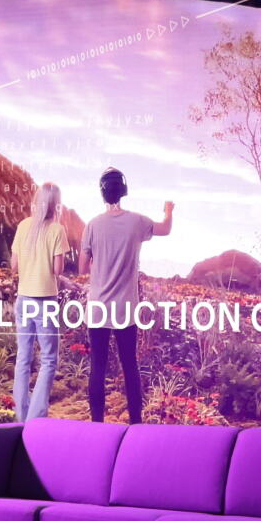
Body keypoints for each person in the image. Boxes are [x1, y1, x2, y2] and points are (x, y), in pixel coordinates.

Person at [80, 167, 173, 424]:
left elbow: (82, 267)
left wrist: (99, 262)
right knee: (130, 365)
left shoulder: (92, 225)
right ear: (123, 190)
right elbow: (165, 229)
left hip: (98, 307)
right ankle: (135, 423)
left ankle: (97, 423)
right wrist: (168, 210)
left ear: (102, 193)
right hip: (125, 308)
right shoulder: (137, 222)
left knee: (97, 366)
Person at [9, 181, 69, 421]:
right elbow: (57, 270)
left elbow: (14, 266)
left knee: (23, 358)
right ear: (56, 205)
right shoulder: (57, 229)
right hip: (45, 301)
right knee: (48, 360)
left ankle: (20, 417)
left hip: (24, 298)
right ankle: (36, 417)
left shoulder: (23, 226)